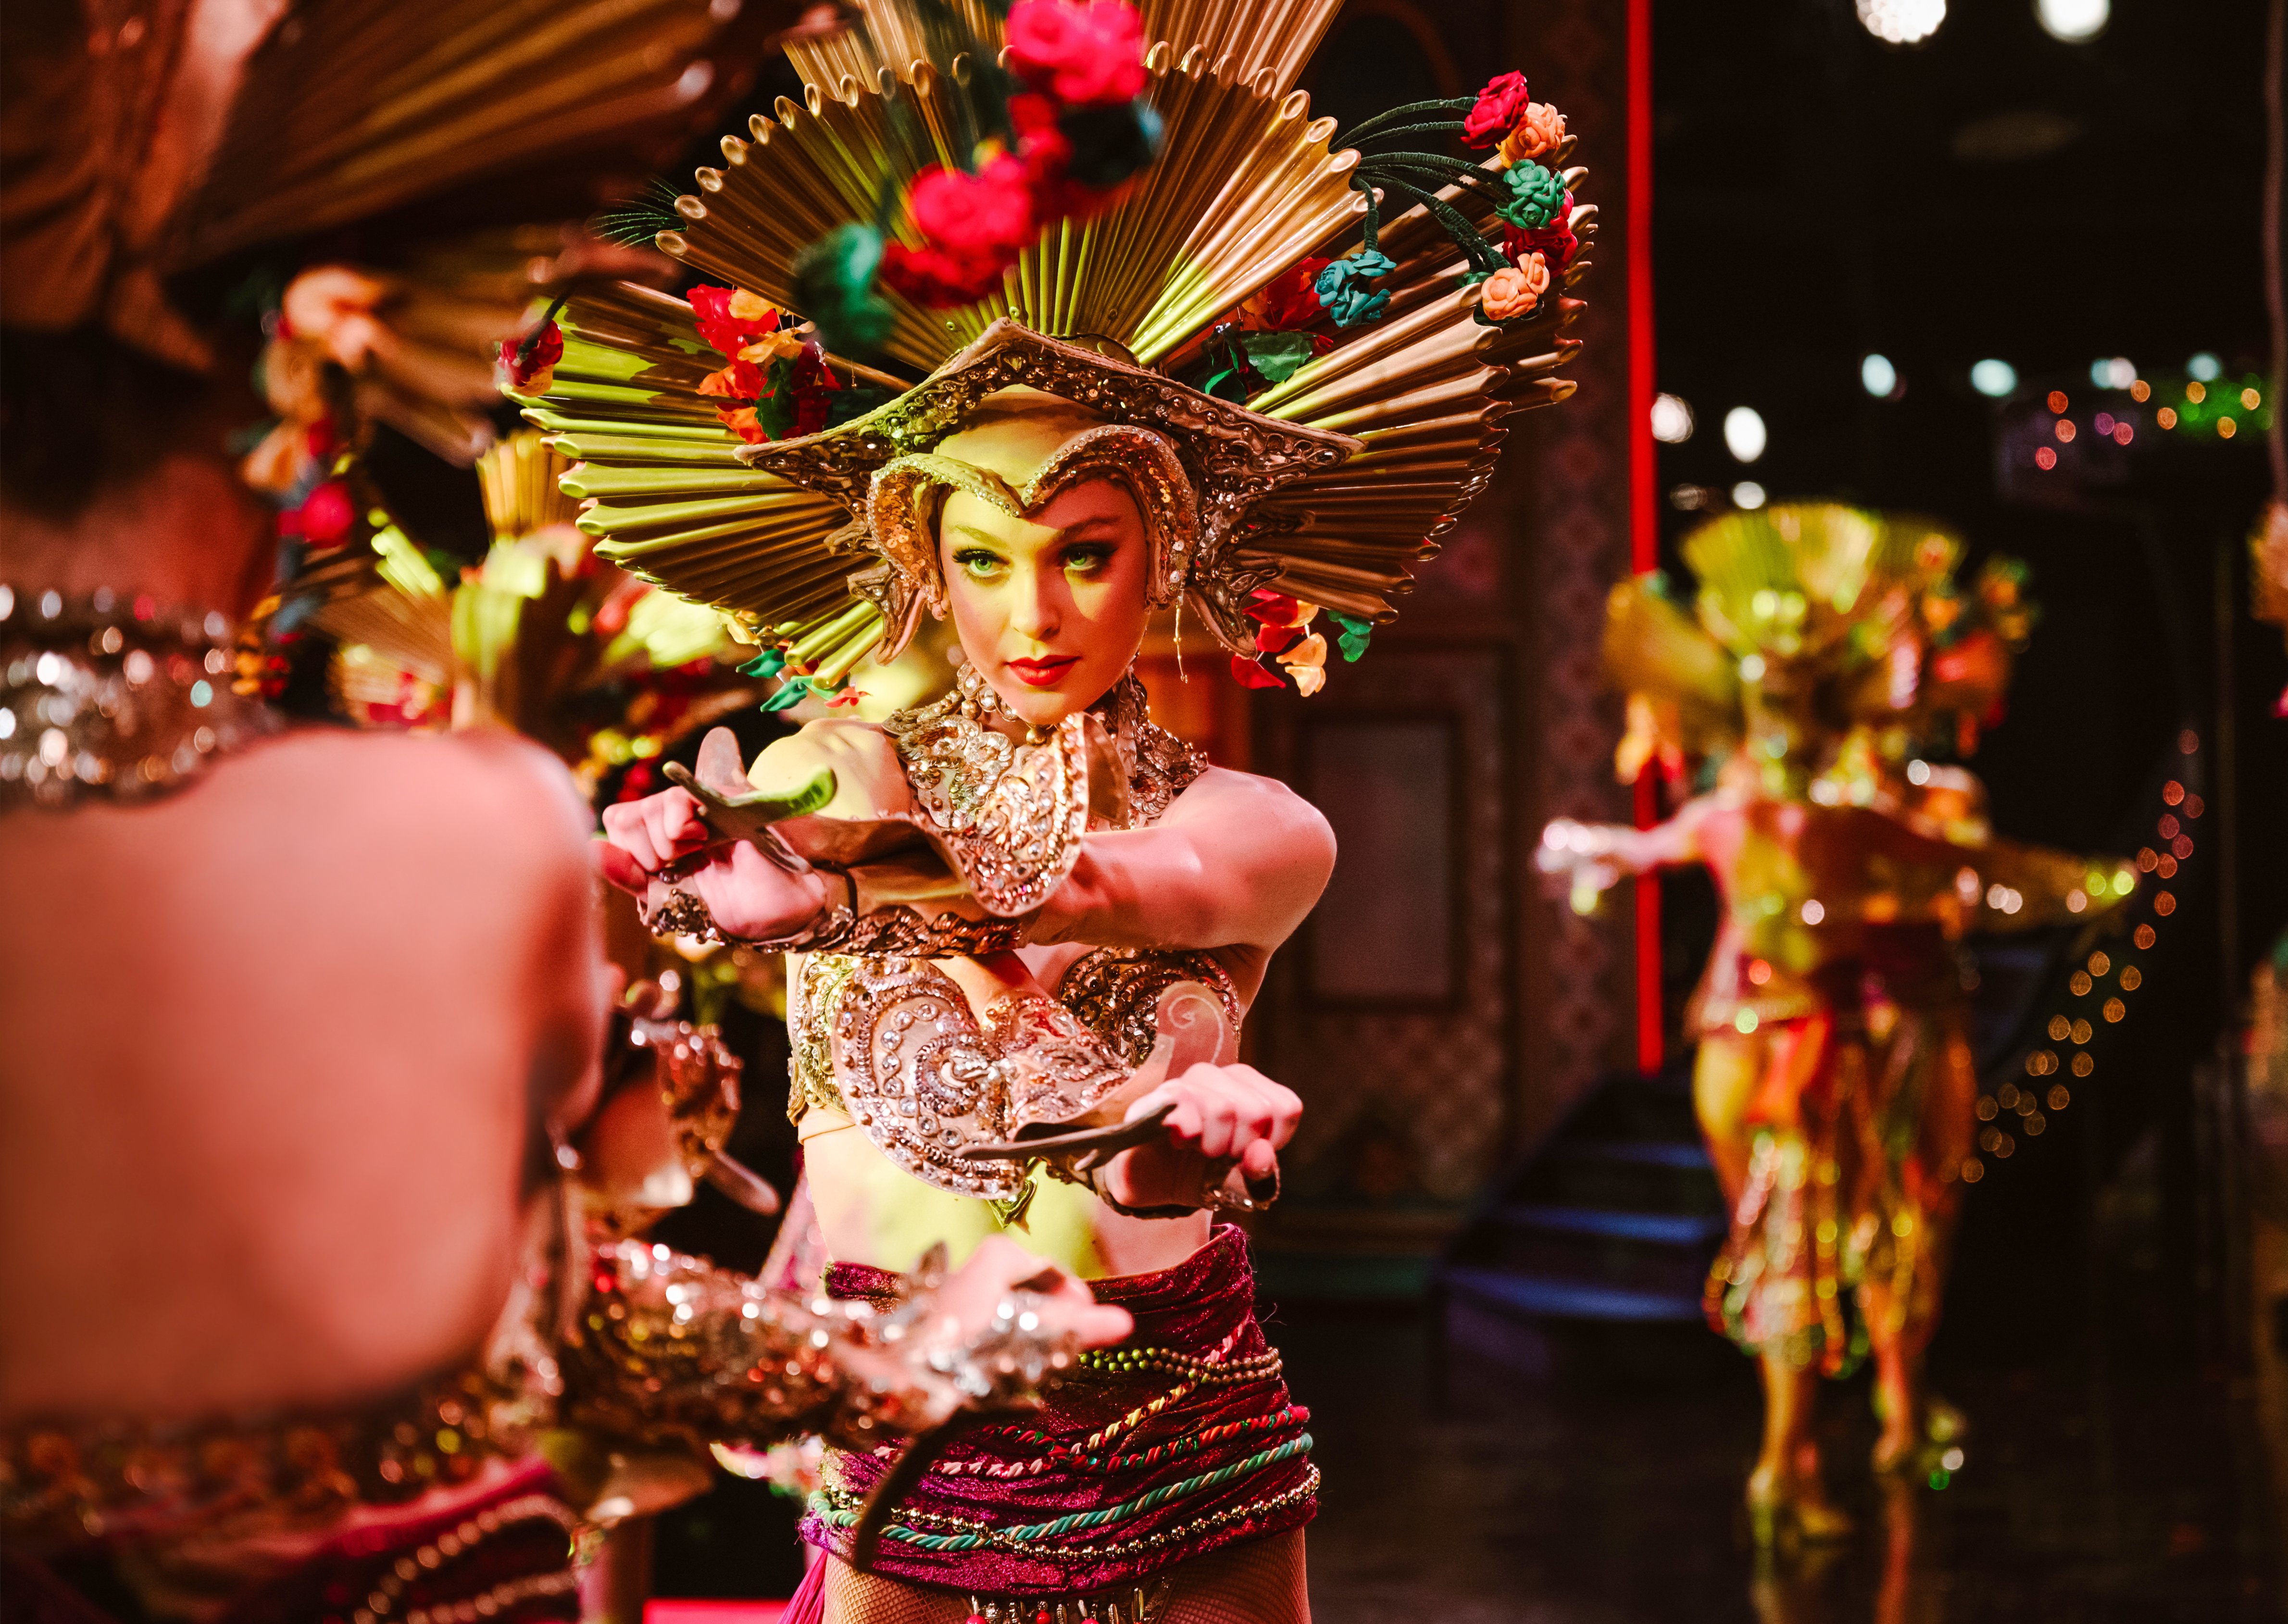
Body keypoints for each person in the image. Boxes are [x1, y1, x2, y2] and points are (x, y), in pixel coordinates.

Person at [0, 6, 1135, 1619]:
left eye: (1080, 547)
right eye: (983, 548)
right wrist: (897, 1357)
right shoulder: (456, 834)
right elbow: (535, 1305)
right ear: (320, 388)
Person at [551, 6, 1594, 1617]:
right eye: (982, 556)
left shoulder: (1261, 826)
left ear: (1159, 552)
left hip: (1185, 1427)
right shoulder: (837, 770)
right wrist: (682, 863)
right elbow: (788, 829)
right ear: (921, 563)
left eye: (1081, 550)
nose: (1029, 609)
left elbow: (1111, 884)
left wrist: (841, 895)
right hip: (903, 1422)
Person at [1535, 505, 2121, 1544]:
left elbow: (1624, 852)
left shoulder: (1754, 813)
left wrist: (1587, 854)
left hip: (1768, 1032)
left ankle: (1841, 1431)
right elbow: (1984, 873)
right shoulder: (1833, 818)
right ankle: (1787, 1461)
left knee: (1817, 1240)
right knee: (1804, 1248)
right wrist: (2083, 885)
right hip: (1811, 1039)